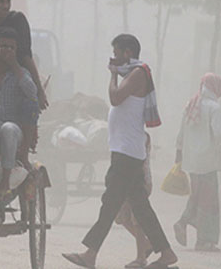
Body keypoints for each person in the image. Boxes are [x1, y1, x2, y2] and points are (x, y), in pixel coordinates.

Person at [63, 34, 177, 269]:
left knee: (110, 203)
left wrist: (113, 74)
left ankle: (91, 254)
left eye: (116, 53)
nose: (113, 58)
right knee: (140, 206)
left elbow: (115, 98)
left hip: (127, 153)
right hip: (126, 150)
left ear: (127, 53)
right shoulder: (135, 74)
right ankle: (166, 253)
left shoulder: (138, 73)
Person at [173, 73, 221, 252]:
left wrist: (179, 152)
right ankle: (204, 240)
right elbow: (219, 134)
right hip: (208, 162)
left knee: (197, 196)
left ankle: (185, 221)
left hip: (192, 161)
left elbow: (181, 132)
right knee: (209, 201)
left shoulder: (191, 104)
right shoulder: (214, 107)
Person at [0, 27, 38, 200]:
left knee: (8, 129)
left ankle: (5, 181)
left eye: (11, 48)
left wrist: (15, 66)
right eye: (3, 46)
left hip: (13, 130)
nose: (7, 51)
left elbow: (32, 93)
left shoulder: (21, 75)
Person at [114, 133, 153, 269]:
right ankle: (147, 244)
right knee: (122, 218)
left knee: (137, 219)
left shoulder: (141, 137)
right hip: (128, 181)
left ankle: (141, 258)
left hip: (139, 182)